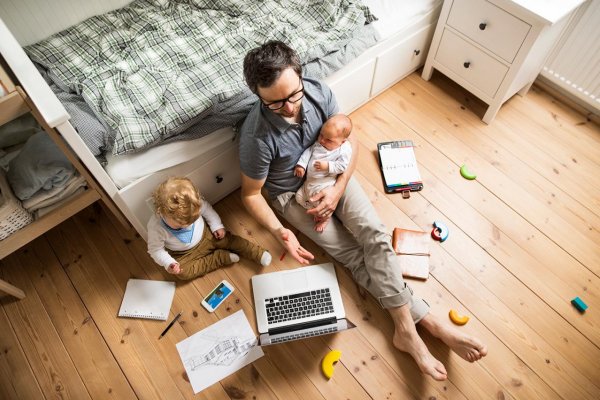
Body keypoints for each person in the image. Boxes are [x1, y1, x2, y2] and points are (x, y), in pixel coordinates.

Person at [238, 40, 487, 380]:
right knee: (353, 255)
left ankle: (409, 330)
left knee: (376, 235)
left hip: (330, 173)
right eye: (275, 102)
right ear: (258, 95)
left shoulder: (317, 92)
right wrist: (280, 230)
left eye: (293, 94)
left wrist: (338, 190)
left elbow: (350, 141)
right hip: (294, 195)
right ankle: (421, 324)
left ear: (300, 77)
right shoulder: (255, 137)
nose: (289, 107)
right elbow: (251, 194)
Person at [147, 176, 271, 280]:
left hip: (207, 235)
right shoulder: (155, 227)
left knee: (230, 240)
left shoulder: (193, 203)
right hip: (184, 253)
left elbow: (208, 211)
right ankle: (220, 258)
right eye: (181, 225)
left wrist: (216, 226)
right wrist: (169, 263)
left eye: (192, 221)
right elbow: (156, 250)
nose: (188, 226)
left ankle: (258, 253)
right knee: (183, 273)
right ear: (161, 211)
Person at [294, 114, 353, 232]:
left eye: (328, 140)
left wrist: (328, 166)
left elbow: (342, 166)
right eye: (321, 134)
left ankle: (325, 218)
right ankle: (314, 209)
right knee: (299, 197)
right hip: (309, 182)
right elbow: (309, 151)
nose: (322, 140)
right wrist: (301, 165)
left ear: (342, 141)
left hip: (324, 184)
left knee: (321, 203)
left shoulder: (344, 150)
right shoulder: (319, 143)